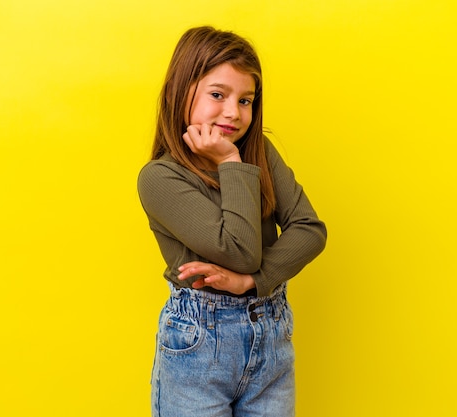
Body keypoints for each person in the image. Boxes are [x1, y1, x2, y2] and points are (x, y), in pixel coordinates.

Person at [137, 25, 327, 417]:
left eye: (246, 100)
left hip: (270, 336)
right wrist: (229, 162)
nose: (233, 112)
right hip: (198, 348)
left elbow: (310, 229)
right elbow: (239, 250)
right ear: (181, 92)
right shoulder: (160, 178)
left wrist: (252, 282)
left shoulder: (259, 151)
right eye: (218, 95)